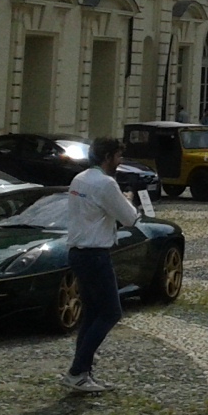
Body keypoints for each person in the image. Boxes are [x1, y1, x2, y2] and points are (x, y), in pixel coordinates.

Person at [62, 138, 141, 393]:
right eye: (118, 156)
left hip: (77, 252)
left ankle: (82, 372)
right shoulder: (106, 183)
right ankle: (77, 371)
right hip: (95, 254)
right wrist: (128, 198)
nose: (120, 161)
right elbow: (129, 218)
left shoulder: (80, 179)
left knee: (92, 313)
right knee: (111, 313)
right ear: (108, 157)